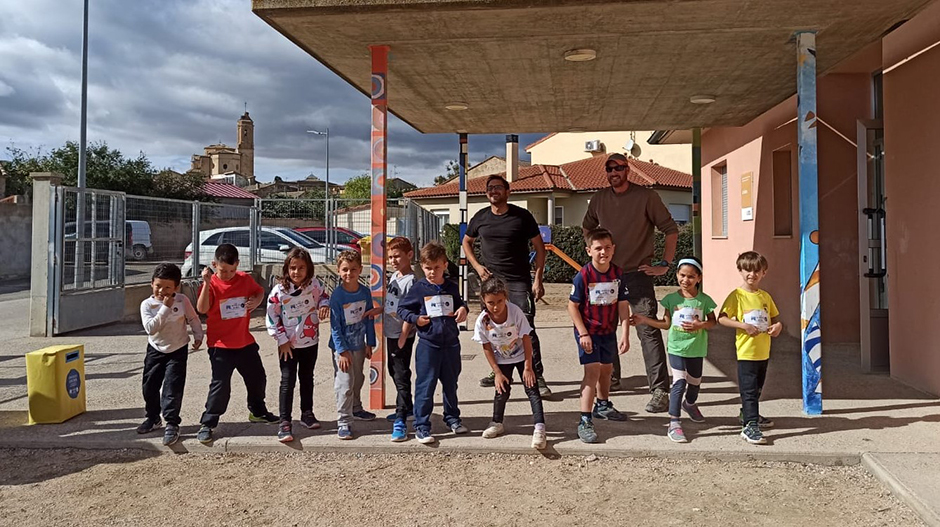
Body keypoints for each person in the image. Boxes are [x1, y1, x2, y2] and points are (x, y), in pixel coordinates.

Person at [582, 152, 679, 413]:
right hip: (606, 276)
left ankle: (660, 390)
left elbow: (671, 230)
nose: (615, 173)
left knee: (647, 330)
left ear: (628, 170)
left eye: (620, 168)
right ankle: (611, 378)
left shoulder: (646, 197)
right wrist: (594, 255)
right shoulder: (600, 198)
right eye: (610, 169)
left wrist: (664, 264)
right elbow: (587, 228)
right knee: (604, 328)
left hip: (638, 275)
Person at [464, 174, 552, 398]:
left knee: (525, 327)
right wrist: (477, 266)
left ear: (507, 191)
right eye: (490, 188)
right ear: (487, 193)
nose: (493, 191)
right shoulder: (480, 217)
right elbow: (467, 241)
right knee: (494, 328)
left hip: (518, 281)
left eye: (498, 187)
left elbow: (540, 248)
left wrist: (538, 278)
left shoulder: (522, 217)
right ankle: (499, 371)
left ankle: (537, 374)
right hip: (492, 283)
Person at [196, 243, 278, 444]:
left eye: (232, 270)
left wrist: (257, 301)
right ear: (215, 265)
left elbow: (259, 291)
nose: (228, 275)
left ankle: (257, 411)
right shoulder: (212, 283)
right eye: (223, 271)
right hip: (220, 345)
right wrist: (207, 284)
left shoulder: (244, 279)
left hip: (244, 342)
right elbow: (202, 309)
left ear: (238, 265)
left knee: (257, 378)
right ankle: (208, 422)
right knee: (221, 385)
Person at [632, 256, 717, 443]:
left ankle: (690, 404)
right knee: (679, 383)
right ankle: (674, 422)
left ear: (699, 278)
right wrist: (644, 320)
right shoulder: (671, 300)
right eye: (682, 275)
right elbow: (666, 324)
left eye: (691, 277)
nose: (685, 280)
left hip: (696, 349)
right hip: (676, 348)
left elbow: (713, 321)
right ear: (677, 274)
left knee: (694, 384)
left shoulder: (704, 300)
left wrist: (700, 325)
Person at [397, 242, 469, 444]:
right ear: (422, 267)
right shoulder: (419, 288)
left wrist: (464, 309)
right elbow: (403, 309)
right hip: (429, 345)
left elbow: (460, 304)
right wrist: (416, 319)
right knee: (425, 386)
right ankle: (422, 425)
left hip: (451, 344)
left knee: (450, 385)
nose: (432, 272)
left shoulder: (451, 287)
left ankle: (453, 418)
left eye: (436, 267)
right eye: (428, 268)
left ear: (445, 265)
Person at [567, 228, 631, 444]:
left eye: (607, 247)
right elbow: (572, 306)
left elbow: (623, 304)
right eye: (598, 248)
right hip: (588, 333)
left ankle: (602, 405)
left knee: (607, 370)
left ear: (613, 249)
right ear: (589, 251)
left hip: (608, 332)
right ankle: (584, 420)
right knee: (592, 372)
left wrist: (625, 332)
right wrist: (583, 333)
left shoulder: (618, 274)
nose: (603, 252)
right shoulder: (583, 276)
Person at [717, 251, 783, 445]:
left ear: (764, 273)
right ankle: (750, 425)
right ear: (740, 270)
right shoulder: (737, 296)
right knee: (749, 390)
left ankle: (746, 413)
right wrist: (743, 326)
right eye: (747, 270)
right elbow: (722, 318)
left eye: (756, 271)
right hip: (746, 352)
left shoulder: (765, 296)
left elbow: (775, 319)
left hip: (763, 351)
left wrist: (777, 327)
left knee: (758, 388)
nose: (751, 275)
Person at [473, 277, 547, 450]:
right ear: (483, 299)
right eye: (491, 302)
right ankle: (497, 422)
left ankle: (539, 427)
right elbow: (487, 348)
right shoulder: (482, 321)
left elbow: (527, 339)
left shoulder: (515, 312)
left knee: (532, 389)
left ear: (506, 297)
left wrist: (528, 367)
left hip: (522, 355)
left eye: (500, 301)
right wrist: (497, 372)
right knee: (501, 391)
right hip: (502, 359)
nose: (496, 306)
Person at [265, 248, 330, 443]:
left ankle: (307, 413)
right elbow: (272, 315)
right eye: (293, 268)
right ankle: (284, 421)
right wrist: (282, 340)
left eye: (301, 268)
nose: (297, 272)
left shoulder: (314, 286)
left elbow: (324, 297)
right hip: (288, 345)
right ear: (287, 269)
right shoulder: (280, 291)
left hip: (310, 342)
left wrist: (324, 304)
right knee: (287, 381)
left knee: (307, 377)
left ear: (308, 269)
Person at [139, 263, 203, 446]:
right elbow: (151, 329)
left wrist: (198, 335)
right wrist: (165, 308)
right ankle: (153, 418)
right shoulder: (147, 305)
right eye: (158, 286)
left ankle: (172, 423)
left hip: (178, 349)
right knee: (149, 386)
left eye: (167, 287)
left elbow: (193, 319)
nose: (162, 291)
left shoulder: (182, 301)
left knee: (172, 388)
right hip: (156, 349)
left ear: (176, 287)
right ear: (152, 284)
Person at [329, 250, 382, 440]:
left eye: (353, 269)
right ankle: (344, 421)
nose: (349, 273)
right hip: (343, 348)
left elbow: (369, 318)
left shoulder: (365, 292)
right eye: (345, 270)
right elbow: (335, 327)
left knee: (358, 379)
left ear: (360, 270)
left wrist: (370, 342)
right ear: (338, 271)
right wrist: (342, 351)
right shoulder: (337, 296)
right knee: (345, 383)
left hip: (360, 345)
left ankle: (356, 408)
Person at [384, 237, 417, 442]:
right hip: (390, 332)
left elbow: (411, 310)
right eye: (390, 257)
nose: (393, 260)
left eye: (397, 256)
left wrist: (404, 335)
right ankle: (408, 407)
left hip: (401, 335)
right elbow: (393, 303)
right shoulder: (394, 276)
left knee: (401, 375)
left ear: (409, 255)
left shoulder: (411, 281)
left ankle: (401, 418)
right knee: (393, 371)